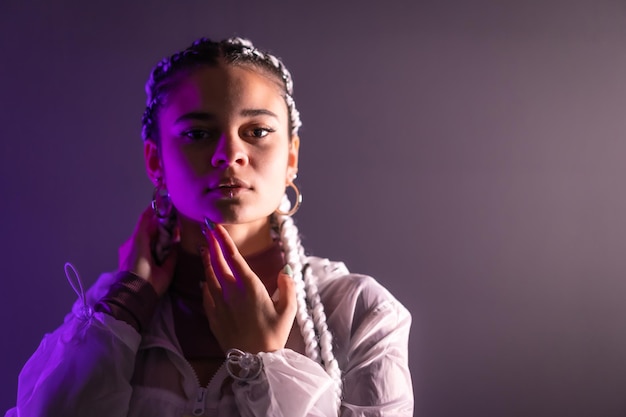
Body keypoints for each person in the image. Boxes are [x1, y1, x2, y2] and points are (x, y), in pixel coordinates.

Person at [6, 37, 413, 417]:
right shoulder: (108, 321)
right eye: (198, 133)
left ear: (291, 157)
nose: (230, 153)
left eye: (257, 132)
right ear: (155, 160)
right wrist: (125, 307)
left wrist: (264, 358)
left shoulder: (360, 313)